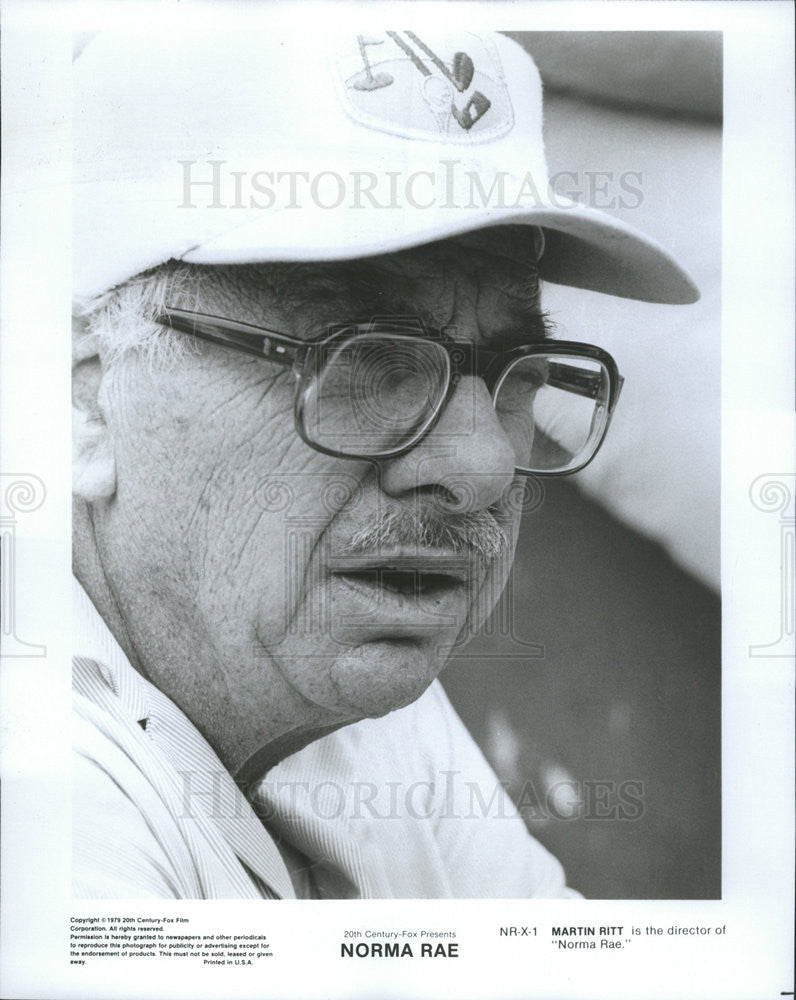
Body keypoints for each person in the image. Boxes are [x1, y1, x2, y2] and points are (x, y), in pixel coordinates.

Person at [71, 27, 698, 899]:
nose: (484, 468)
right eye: (363, 357)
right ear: (82, 405)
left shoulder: (317, 678)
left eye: (514, 375)